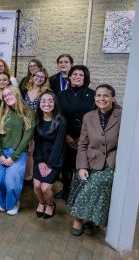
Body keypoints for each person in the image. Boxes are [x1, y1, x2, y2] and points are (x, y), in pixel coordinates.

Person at [68, 84, 121, 236]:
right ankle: (80, 218)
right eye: (98, 95)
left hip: (110, 161)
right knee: (81, 181)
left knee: (96, 187)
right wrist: (83, 166)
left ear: (113, 98)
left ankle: (85, 219)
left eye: (105, 95)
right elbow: (83, 144)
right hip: (90, 160)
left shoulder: (122, 115)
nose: (101, 98)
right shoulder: (88, 116)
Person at [0, 86, 34, 215]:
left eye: (10, 94)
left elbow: (26, 138)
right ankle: (4, 203)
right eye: (5, 96)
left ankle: (13, 203)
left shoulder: (28, 112)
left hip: (18, 153)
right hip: (1, 152)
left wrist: (13, 157)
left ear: (16, 93)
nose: (7, 97)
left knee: (10, 182)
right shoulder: (1, 111)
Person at [56, 65, 95, 200]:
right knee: (65, 164)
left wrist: (81, 137)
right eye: (75, 74)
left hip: (84, 137)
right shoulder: (62, 95)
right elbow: (58, 115)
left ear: (85, 78)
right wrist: (66, 136)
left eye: (81, 75)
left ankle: (77, 191)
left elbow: (94, 118)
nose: (77, 77)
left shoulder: (92, 95)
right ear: (70, 77)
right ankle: (65, 189)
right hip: (65, 135)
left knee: (80, 164)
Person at [33, 92, 67, 219]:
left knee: (46, 187)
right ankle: (42, 203)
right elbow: (37, 142)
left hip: (55, 157)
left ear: (55, 103)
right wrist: (40, 162)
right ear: (39, 104)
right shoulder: (37, 120)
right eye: (43, 101)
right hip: (40, 156)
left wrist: (50, 165)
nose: (47, 103)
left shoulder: (61, 121)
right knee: (36, 186)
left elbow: (59, 145)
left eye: (50, 101)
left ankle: (50, 205)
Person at [21, 68, 52, 184]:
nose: (39, 79)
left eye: (42, 77)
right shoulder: (25, 90)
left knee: (33, 151)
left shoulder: (46, 92)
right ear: (32, 77)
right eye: (37, 76)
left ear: (45, 79)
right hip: (25, 124)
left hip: (38, 124)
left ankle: (30, 176)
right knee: (26, 149)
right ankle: (24, 174)